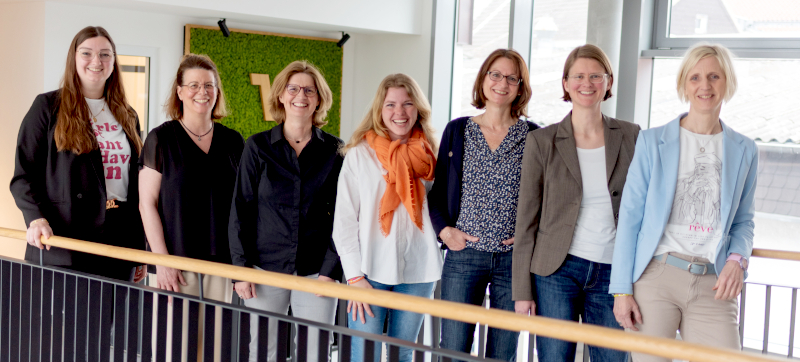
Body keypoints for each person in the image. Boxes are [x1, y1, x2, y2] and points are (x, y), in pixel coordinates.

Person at [609, 43, 757, 362]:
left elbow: (744, 221)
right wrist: (621, 289)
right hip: (656, 277)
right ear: (684, 84)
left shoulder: (745, 149)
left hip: (713, 283)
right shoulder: (652, 142)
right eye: (695, 77)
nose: (705, 86)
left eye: (714, 76)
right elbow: (630, 217)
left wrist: (737, 260)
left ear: (727, 82)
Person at [512, 44, 640, 362]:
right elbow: (526, 218)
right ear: (566, 83)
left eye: (596, 76)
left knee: (612, 358)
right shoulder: (542, 141)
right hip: (557, 271)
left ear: (608, 82)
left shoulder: (632, 135)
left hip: (613, 271)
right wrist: (522, 291)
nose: (587, 83)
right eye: (579, 76)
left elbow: (643, 207)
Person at [228, 60, 343, 362]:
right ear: (280, 95)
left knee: (315, 352)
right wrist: (240, 270)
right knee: (264, 352)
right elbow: (240, 210)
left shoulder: (334, 151)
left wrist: (331, 271)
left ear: (319, 99)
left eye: (309, 90)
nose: (300, 96)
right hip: (264, 267)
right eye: (293, 89)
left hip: (317, 271)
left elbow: (343, 217)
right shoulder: (257, 147)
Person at [428, 48, 538, 361]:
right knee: (453, 349)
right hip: (464, 255)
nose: (502, 83)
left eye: (512, 78)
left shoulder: (534, 136)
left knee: (502, 353)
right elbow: (437, 194)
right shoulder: (458, 130)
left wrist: (528, 237)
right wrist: (445, 231)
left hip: (513, 261)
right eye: (496, 74)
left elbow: (546, 198)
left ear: (520, 87)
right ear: (483, 79)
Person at [11, 25, 145, 281]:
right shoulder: (47, 106)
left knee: (116, 309)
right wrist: (35, 219)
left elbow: (136, 187)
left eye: (105, 54)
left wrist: (139, 250)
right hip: (65, 238)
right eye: (86, 53)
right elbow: (23, 175)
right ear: (73, 58)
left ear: (114, 62)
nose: (96, 61)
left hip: (119, 241)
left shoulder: (128, 114)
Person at [139, 53, 244, 360]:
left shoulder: (233, 142)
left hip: (219, 264)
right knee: (174, 350)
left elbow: (242, 207)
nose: (202, 92)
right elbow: (147, 204)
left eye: (209, 85)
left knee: (213, 351)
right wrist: (162, 262)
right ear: (180, 91)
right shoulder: (160, 139)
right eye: (194, 85)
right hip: (175, 264)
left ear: (217, 91)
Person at [333, 73, 441, 362]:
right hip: (369, 271)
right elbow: (344, 221)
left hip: (419, 270)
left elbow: (442, 209)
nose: (399, 112)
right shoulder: (359, 155)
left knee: (401, 353)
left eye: (407, 104)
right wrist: (354, 277)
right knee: (364, 352)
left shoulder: (431, 156)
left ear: (418, 108)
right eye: (390, 104)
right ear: (379, 110)